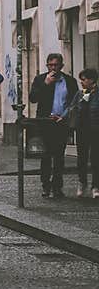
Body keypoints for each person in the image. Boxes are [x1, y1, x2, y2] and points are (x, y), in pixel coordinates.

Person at [29, 52, 78, 198]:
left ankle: (57, 186)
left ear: (61, 66)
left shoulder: (69, 81)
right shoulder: (40, 79)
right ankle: (45, 185)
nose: (52, 68)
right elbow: (33, 98)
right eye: (50, 65)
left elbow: (74, 101)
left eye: (55, 65)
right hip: (45, 123)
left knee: (59, 157)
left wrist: (65, 116)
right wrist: (45, 84)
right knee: (45, 156)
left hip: (61, 123)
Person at [73, 68, 99, 199]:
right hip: (82, 130)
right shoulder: (79, 94)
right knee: (81, 158)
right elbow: (73, 108)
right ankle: (82, 182)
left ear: (92, 80)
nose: (82, 82)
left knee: (95, 158)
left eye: (84, 79)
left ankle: (96, 185)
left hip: (95, 130)